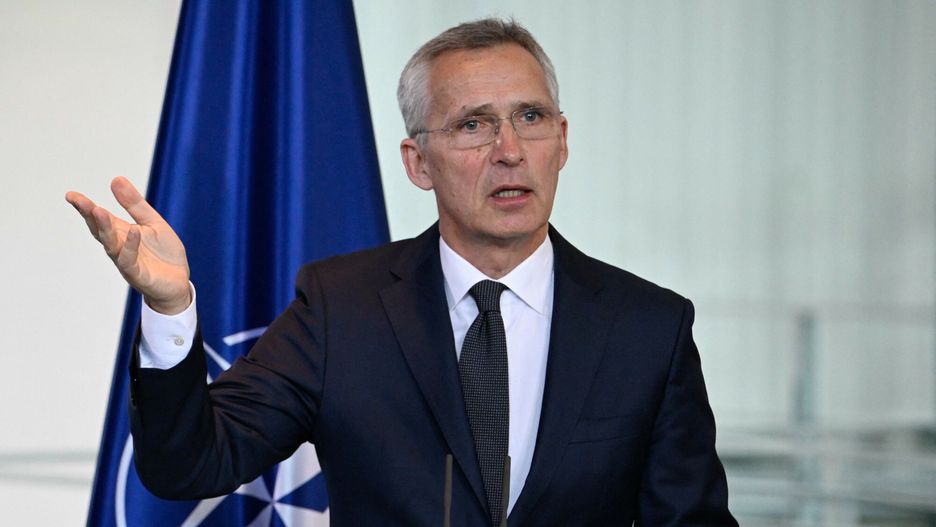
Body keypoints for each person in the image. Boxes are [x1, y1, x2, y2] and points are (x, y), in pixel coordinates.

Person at [66, 18, 737, 526]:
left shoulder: (649, 327)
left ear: (561, 141)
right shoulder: (340, 309)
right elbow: (189, 465)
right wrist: (171, 308)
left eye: (530, 118)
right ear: (418, 163)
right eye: (473, 125)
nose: (509, 150)